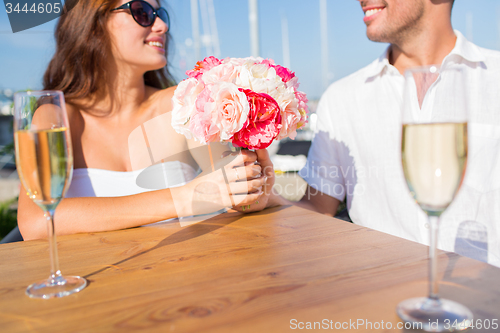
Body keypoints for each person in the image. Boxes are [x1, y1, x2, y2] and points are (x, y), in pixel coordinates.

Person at [259, 0, 500, 267]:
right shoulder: (342, 100)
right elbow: (318, 208)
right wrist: (267, 196)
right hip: (380, 300)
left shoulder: (495, 78)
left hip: (487, 299)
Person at [18, 0, 267, 240]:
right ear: (95, 23)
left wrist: (252, 190)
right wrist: (186, 197)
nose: (162, 26)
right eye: (142, 11)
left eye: (162, 15)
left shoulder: (183, 104)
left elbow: (234, 190)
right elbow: (35, 223)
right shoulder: (58, 117)